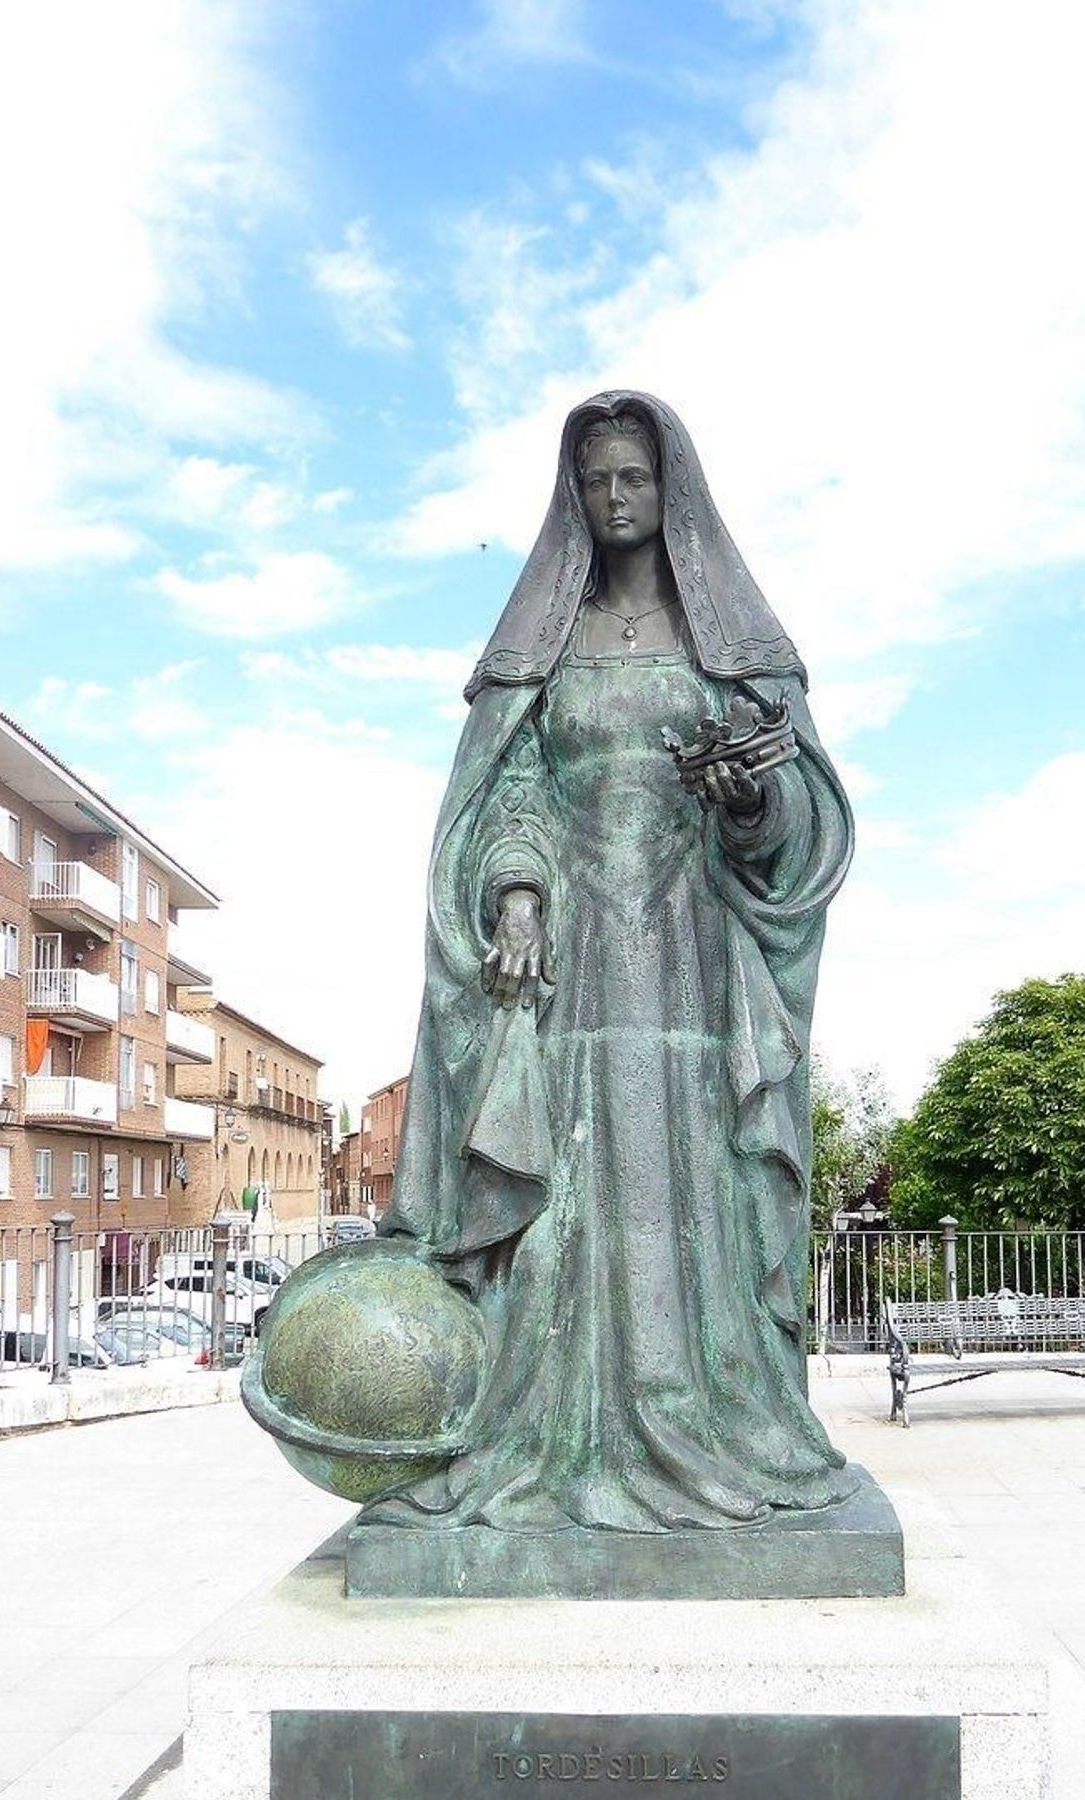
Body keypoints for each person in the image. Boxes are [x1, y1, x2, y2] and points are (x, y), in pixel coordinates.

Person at [377, 389, 857, 1531]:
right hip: (571, 966)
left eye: (633, 476)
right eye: (594, 480)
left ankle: (715, 1418)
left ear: (670, 488)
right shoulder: (539, 651)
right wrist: (518, 894)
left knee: (695, 1184)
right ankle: (543, 1434)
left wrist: (751, 800)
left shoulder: (730, 646)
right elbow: (510, 791)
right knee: (560, 1205)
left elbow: (796, 819)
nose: (614, 497)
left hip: (694, 959)